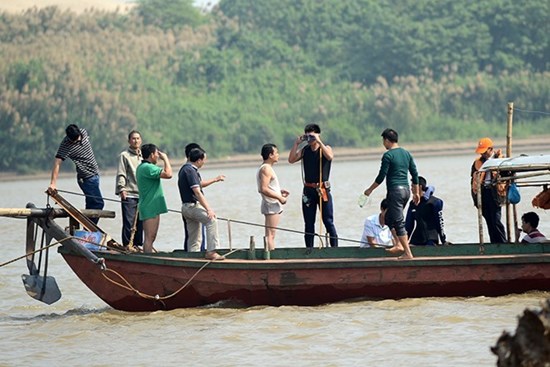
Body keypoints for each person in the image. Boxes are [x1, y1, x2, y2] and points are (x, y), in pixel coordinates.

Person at [363, 128, 420, 259]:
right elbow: (415, 174)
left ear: (387, 140)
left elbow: (381, 176)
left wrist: (369, 190)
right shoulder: (406, 153)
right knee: (389, 218)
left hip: (395, 191)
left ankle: (407, 252)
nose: (383, 144)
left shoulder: (388, 155)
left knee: (398, 221)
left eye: (383, 141)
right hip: (406, 191)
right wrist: (416, 193)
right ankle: (399, 244)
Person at [288, 123, 338, 248]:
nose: (309, 139)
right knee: (309, 223)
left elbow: (330, 156)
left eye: (311, 135)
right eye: (307, 136)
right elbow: (291, 159)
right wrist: (297, 143)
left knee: (328, 221)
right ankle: (309, 249)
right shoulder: (305, 151)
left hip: (322, 189)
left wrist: (319, 141)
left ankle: (335, 249)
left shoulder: (325, 148)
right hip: (308, 190)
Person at [49, 124, 104, 224]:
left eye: (78, 138)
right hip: (86, 178)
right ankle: (90, 229)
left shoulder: (83, 132)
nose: (77, 141)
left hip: (95, 175)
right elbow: (57, 163)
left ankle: (86, 232)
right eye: (74, 140)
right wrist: (53, 183)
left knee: (92, 205)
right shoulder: (65, 145)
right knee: (98, 203)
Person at [178, 147, 225, 260]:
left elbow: (198, 184)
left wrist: (215, 179)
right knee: (212, 220)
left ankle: (192, 257)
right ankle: (211, 252)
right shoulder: (190, 170)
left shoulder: (185, 169)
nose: (204, 162)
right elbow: (197, 192)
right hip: (192, 206)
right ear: (199, 160)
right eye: (203, 160)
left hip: (186, 206)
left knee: (195, 236)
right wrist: (209, 209)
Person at [136, 144, 172, 253]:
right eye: (157, 154)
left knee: (151, 237)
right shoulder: (148, 167)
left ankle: (148, 256)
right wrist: (165, 158)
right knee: (149, 238)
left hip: (151, 205)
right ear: (152, 155)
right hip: (149, 206)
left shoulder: (143, 167)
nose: (158, 156)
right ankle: (147, 259)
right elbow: (168, 174)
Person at [470, 137, 507, 243]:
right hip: (483, 193)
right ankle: (494, 244)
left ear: (491, 149)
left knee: (496, 221)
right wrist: (475, 196)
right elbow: (473, 180)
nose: (482, 154)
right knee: (489, 221)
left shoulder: (500, 160)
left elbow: (507, 175)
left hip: (495, 194)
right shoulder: (477, 163)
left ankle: (502, 244)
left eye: (484, 152)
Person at [257, 143, 290, 250]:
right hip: (271, 204)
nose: (278, 155)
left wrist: (278, 192)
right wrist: (279, 198)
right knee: (271, 235)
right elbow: (263, 189)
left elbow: (267, 187)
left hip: (270, 203)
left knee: (269, 234)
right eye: (276, 153)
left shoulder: (266, 168)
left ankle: (269, 255)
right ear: (270, 155)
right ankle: (271, 256)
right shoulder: (266, 168)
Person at [115, 130, 143, 249]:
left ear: (141, 140)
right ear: (129, 141)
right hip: (130, 193)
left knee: (141, 222)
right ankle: (127, 244)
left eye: (137, 138)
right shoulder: (124, 155)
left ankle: (137, 245)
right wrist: (122, 188)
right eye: (133, 139)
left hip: (142, 194)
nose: (136, 141)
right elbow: (121, 173)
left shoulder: (143, 156)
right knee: (129, 221)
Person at [405, 176, 447, 246]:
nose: (411, 189)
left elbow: (439, 223)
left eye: (413, 186)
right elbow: (408, 225)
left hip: (431, 239)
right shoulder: (412, 204)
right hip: (416, 239)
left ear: (420, 187)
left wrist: (443, 240)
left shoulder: (435, 202)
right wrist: (404, 242)